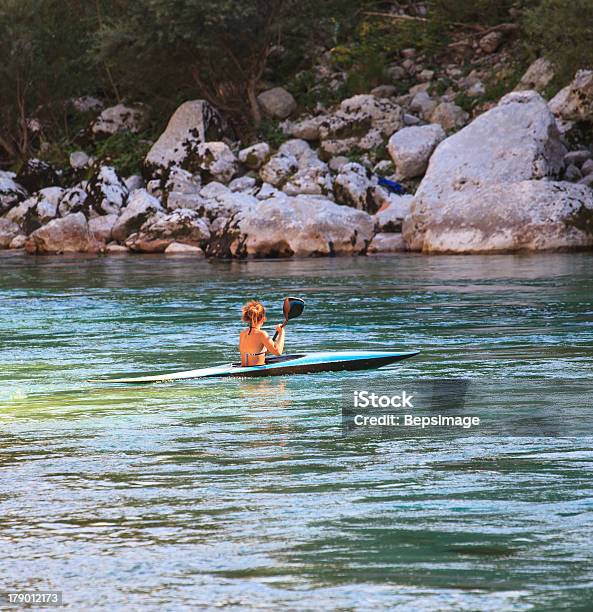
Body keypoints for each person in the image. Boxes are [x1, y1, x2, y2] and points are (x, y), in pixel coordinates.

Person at [239, 300, 285, 366]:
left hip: (242, 369)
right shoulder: (262, 334)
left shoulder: (242, 333)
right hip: (255, 372)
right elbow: (278, 352)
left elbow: (255, 351)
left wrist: (269, 345)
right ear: (263, 318)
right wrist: (281, 332)